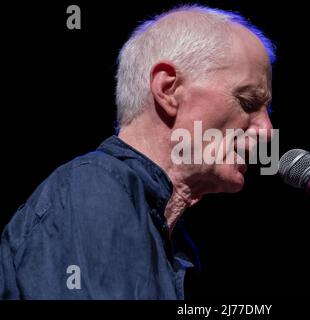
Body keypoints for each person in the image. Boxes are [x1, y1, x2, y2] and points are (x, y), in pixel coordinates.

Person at [0, 4, 275, 299]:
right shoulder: (94, 187)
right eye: (247, 102)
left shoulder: (174, 239)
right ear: (169, 90)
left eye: (267, 111)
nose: (267, 131)